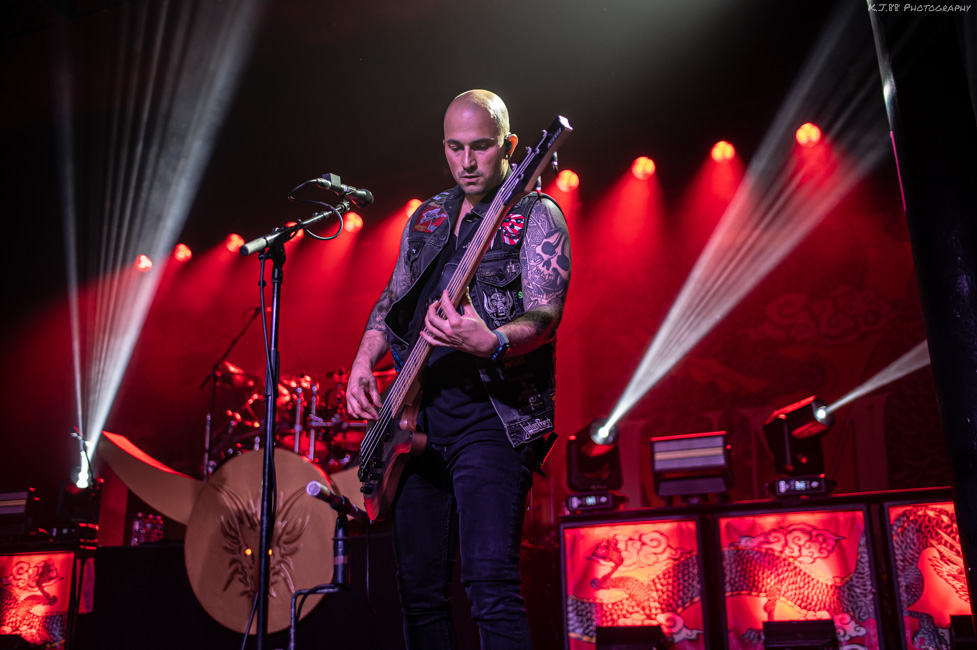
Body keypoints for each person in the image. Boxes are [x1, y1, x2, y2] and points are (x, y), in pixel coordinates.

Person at [346, 89, 571, 650]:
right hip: (417, 425)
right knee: (419, 596)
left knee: (489, 586)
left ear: (510, 146)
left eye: (481, 147)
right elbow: (393, 297)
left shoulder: (535, 215)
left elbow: (547, 314)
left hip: (494, 423)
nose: (467, 162)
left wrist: (492, 340)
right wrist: (362, 360)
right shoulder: (428, 218)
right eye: (454, 148)